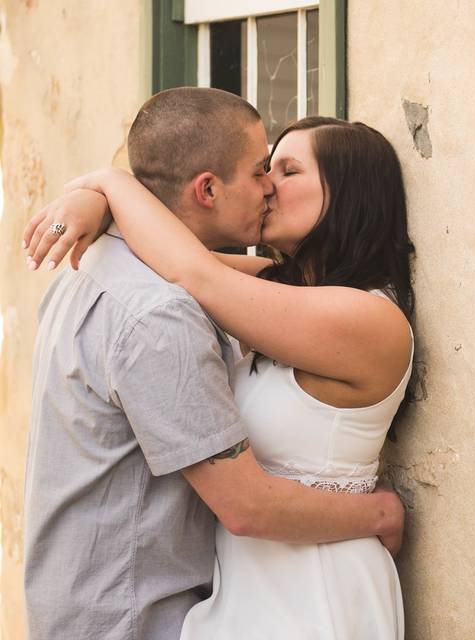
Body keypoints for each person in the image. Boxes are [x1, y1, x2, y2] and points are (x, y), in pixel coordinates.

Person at [22, 88, 412, 639]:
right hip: (232, 596)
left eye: (287, 170)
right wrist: (98, 200)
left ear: (347, 196)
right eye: (263, 169)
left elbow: (190, 270)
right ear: (208, 188)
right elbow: (176, 254)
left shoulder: (364, 318)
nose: (269, 185)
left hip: (316, 582)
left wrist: (109, 184)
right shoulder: (266, 292)